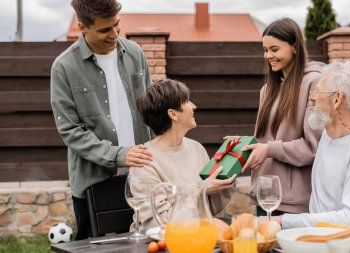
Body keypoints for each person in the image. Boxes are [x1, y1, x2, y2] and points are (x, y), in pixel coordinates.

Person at [50, 0, 153, 240]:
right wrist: (119, 154)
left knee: (140, 242)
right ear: (82, 27)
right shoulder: (63, 67)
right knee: (90, 245)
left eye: (117, 26)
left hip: (140, 176)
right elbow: (70, 131)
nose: (115, 34)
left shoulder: (135, 53)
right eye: (105, 30)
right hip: (92, 181)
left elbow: (151, 111)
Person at [259, 61, 350, 229]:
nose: (312, 97)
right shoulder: (328, 135)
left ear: (337, 99)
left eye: (318, 90)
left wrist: (282, 221)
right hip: (318, 241)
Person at [241, 18, 325, 215]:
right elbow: (265, 141)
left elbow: (314, 147)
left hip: (294, 203)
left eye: (274, 49)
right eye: (265, 50)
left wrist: (269, 149)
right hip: (263, 197)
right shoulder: (267, 90)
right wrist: (240, 145)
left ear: (294, 47)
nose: (268, 56)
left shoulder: (315, 83)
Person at [129, 79, 236, 230]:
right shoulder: (145, 160)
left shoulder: (196, 148)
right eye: (187, 101)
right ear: (173, 114)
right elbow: (157, 223)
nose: (194, 106)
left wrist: (228, 174)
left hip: (197, 236)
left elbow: (212, 209)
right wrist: (199, 188)